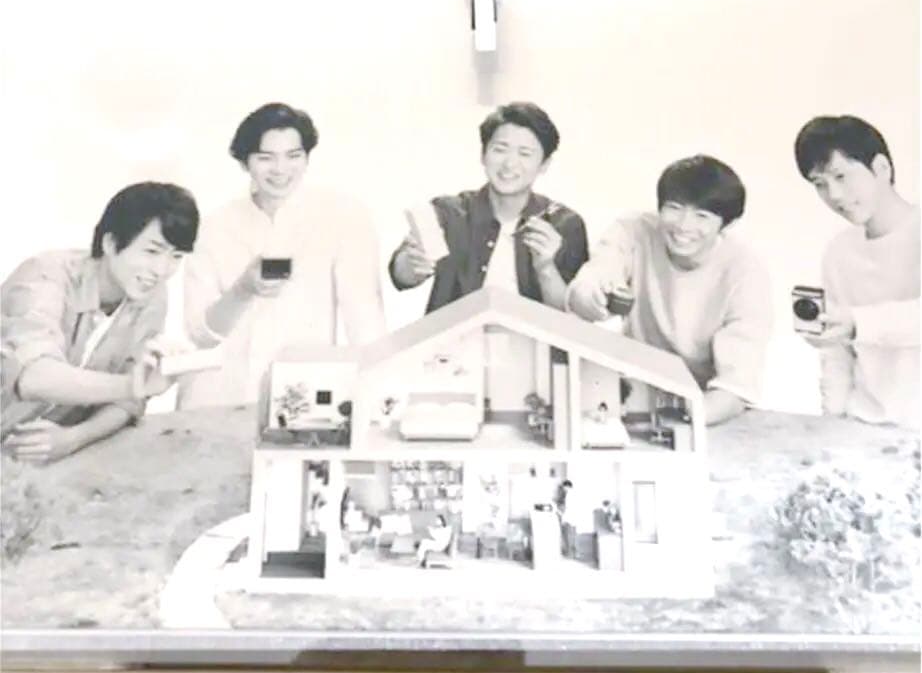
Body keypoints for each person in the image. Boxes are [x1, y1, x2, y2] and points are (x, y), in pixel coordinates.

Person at [181, 102, 386, 408]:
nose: (280, 169)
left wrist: (375, 397)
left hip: (302, 394)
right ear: (245, 163)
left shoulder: (343, 217)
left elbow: (365, 320)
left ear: (307, 157)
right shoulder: (214, 227)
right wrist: (243, 290)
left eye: (293, 156)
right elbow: (201, 334)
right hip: (222, 396)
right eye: (266, 158)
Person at [567, 155, 772, 426]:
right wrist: (592, 296)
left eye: (702, 216)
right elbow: (590, 281)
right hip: (632, 392)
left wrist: (683, 423)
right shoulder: (634, 230)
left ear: (727, 223)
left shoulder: (745, 272)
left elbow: (735, 388)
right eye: (674, 208)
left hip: (703, 405)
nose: (684, 226)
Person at [1, 182, 199, 463]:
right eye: (152, 251)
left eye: (176, 256)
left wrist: (73, 438)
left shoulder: (151, 295)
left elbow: (129, 403)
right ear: (110, 243)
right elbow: (34, 377)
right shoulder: (45, 276)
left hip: (31, 458)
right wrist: (136, 385)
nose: (162, 270)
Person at [389, 102, 588, 312]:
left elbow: (572, 316)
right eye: (500, 149)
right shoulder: (449, 211)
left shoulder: (564, 224)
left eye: (525, 153)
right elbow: (400, 275)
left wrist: (545, 267)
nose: (510, 163)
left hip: (527, 334)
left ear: (544, 164)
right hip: (456, 332)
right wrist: (412, 264)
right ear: (483, 155)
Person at [794, 115, 919, 429]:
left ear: (882, 168)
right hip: (863, 426)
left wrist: (857, 324)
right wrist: (832, 422)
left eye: (841, 176)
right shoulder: (839, 251)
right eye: (820, 184)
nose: (834, 195)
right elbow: (837, 356)